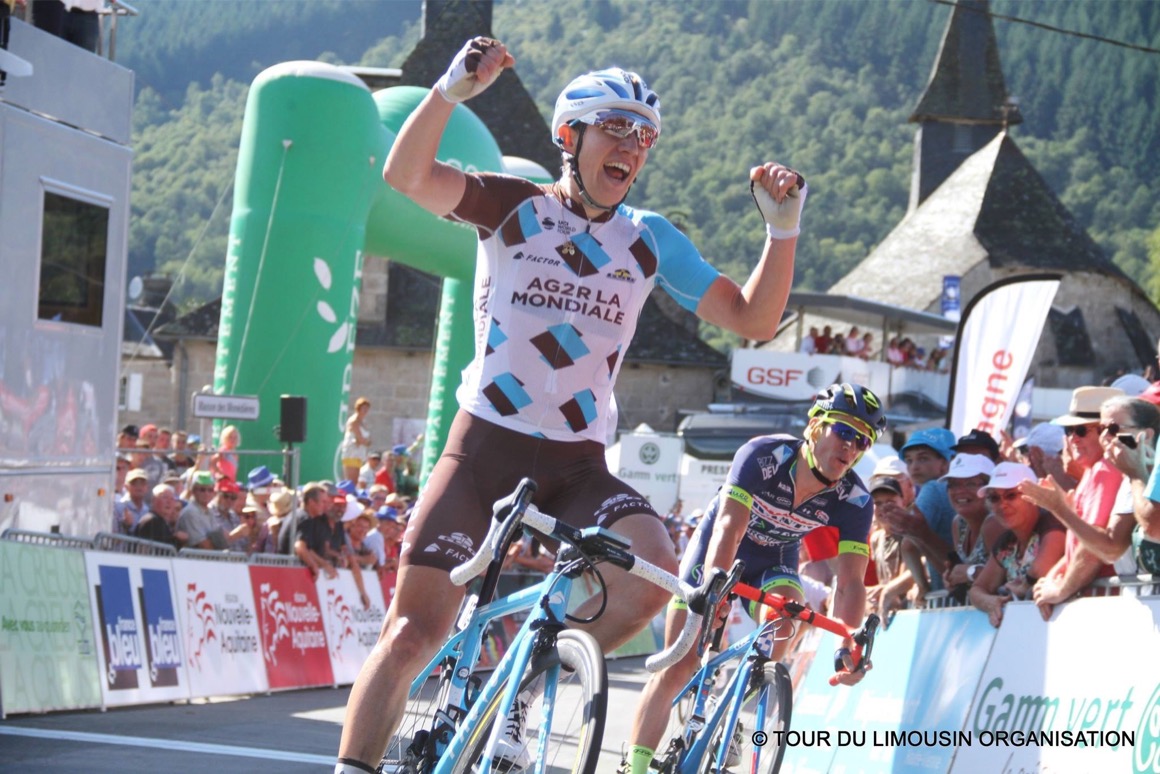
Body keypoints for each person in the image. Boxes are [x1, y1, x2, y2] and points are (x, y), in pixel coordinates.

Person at [336, 36, 809, 774]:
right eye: (616, 127)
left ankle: (526, 672)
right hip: (482, 449)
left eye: (644, 136)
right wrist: (448, 92)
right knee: (407, 638)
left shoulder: (647, 239)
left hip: (579, 465)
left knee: (655, 573)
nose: (633, 146)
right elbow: (406, 176)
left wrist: (782, 230)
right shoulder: (512, 206)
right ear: (569, 136)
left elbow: (751, 320)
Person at [622, 384, 881, 774]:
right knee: (678, 664)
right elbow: (729, 526)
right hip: (719, 547)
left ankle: (734, 708)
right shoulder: (764, 456)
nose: (851, 447)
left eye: (862, 441)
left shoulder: (856, 500)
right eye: (844, 431)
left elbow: (850, 584)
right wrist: (714, 587)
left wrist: (849, 642)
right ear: (815, 425)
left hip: (774, 561)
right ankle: (635, 766)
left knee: (786, 621)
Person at [1024, 393, 1156, 613]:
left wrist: (1060, 590)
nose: (1106, 437)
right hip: (1136, 605)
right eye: (1069, 431)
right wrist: (1055, 580)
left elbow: (1106, 549)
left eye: (1082, 430)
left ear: (1147, 434)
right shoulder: (1116, 469)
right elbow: (1081, 546)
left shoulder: (1110, 469)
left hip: (1130, 605)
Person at [968, 463, 1065, 627]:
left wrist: (1024, 586)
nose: (1002, 504)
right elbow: (976, 590)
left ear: (1034, 497)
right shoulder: (1006, 543)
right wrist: (991, 602)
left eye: (1011, 495)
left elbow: (1041, 569)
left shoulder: (1053, 522)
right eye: (994, 498)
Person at [938, 453, 1002, 601]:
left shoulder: (995, 523)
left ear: (990, 488)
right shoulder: (958, 523)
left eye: (970, 484)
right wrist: (952, 577)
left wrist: (970, 572)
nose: (959, 491)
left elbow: (1006, 577)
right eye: (953, 485)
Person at [133, 484, 187, 549]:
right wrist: (178, 539)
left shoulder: (162, 522)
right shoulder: (152, 521)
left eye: (172, 499)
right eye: (165, 497)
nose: (169, 502)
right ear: (154, 500)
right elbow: (164, 549)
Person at [342, 397, 373, 483]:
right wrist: (365, 441)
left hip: (359, 454)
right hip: (351, 453)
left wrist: (366, 442)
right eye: (364, 408)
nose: (365, 410)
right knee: (350, 481)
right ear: (358, 408)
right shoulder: (353, 421)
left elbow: (368, 440)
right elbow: (360, 439)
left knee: (355, 481)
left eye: (367, 408)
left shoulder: (363, 422)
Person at [114, 468, 150, 534]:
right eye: (134, 483)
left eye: (142, 483)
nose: (139, 487)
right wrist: (125, 526)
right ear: (126, 486)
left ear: (147, 487)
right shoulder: (118, 508)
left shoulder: (148, 511)